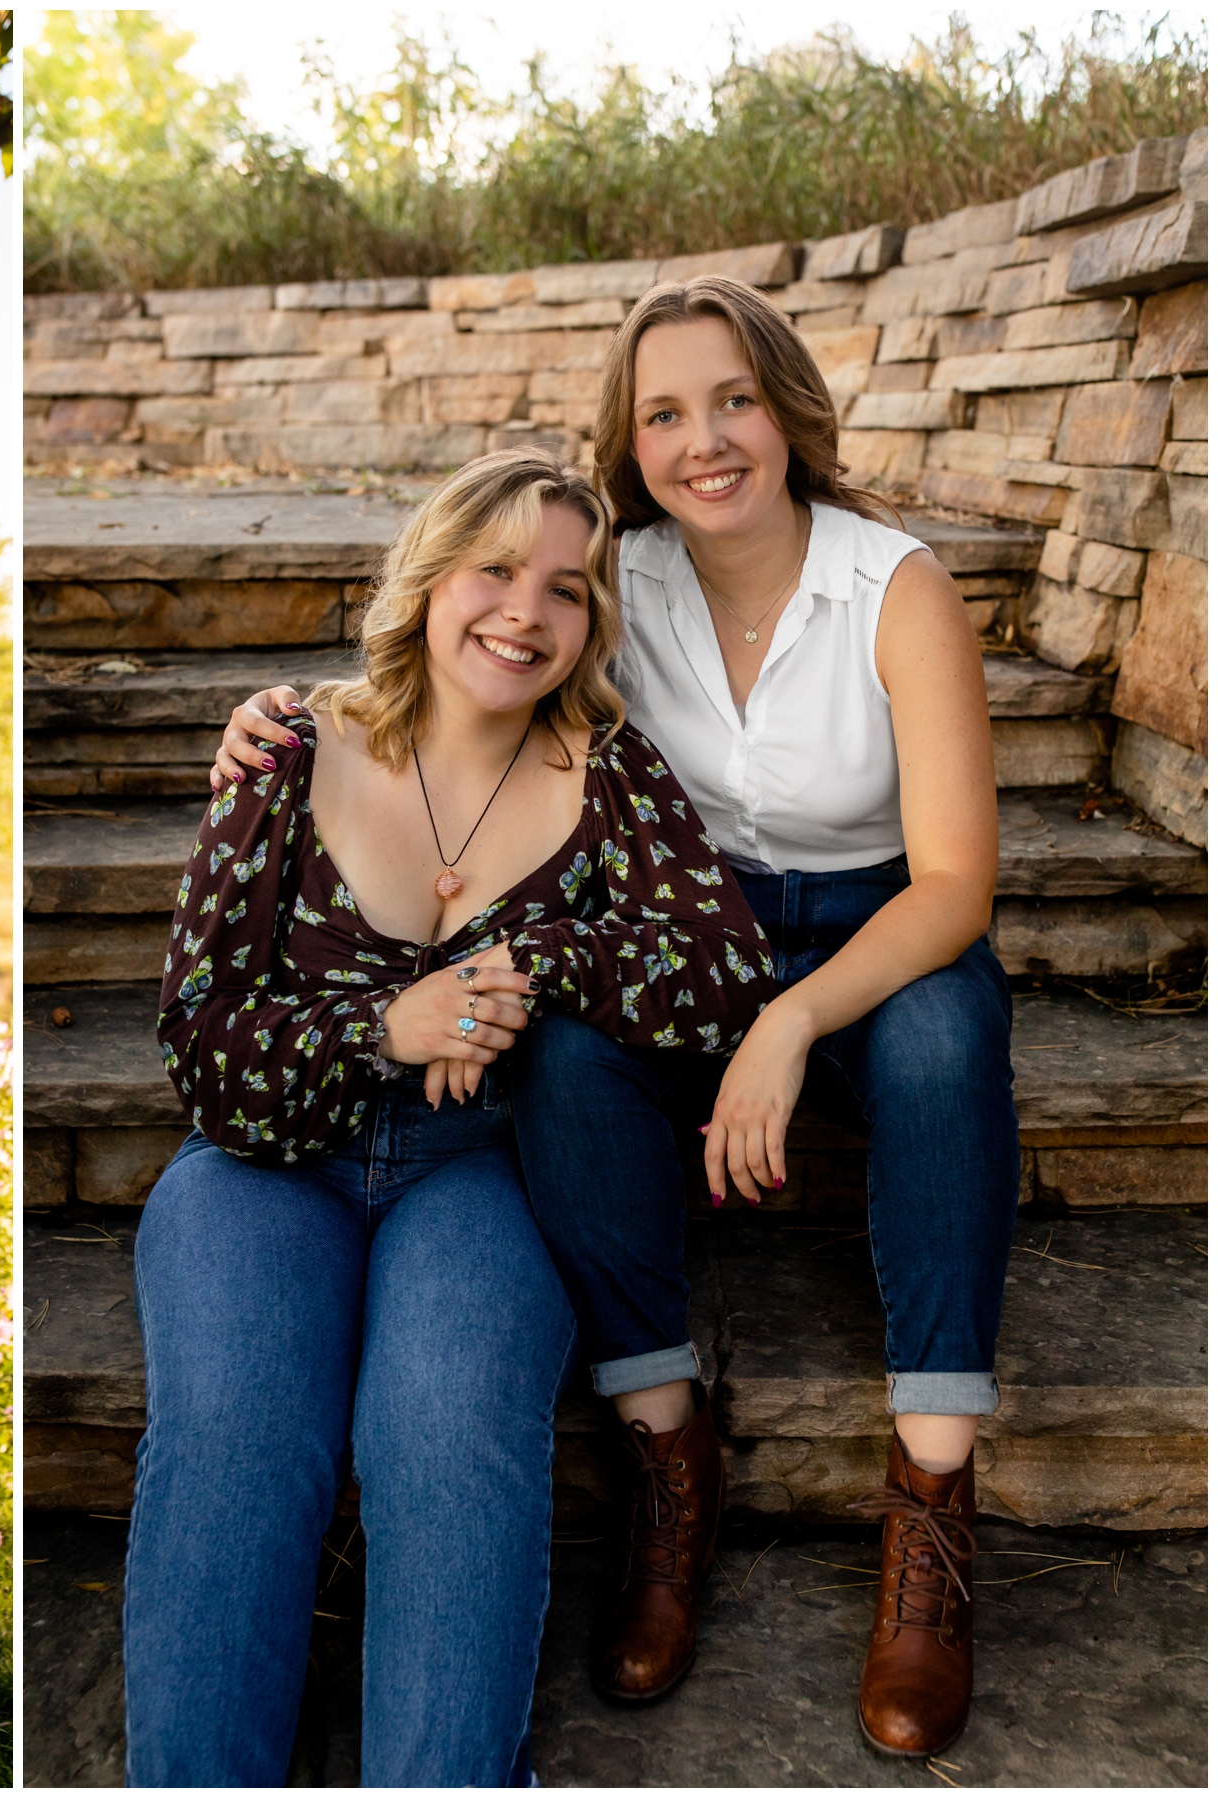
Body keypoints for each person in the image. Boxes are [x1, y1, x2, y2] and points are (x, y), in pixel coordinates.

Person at [215, 276, 1012, 1758]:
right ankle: (665, 1455)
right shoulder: (609, 587)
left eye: (731, 401)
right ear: (628, 442)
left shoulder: (892, 586)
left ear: (786, 412)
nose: (702, 439)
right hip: (683, 937)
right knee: (571, 1050)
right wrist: (285, 722)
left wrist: (788, 1024)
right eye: (662, 413)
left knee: (948, 1040)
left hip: (883, 930)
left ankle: (931, 1508)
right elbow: (459, 677)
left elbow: (960, 883)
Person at [142, 448, 776, 1785]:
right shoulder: (288, 752)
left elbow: (723, 970)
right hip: (262, 1165)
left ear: (595, 622)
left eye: (567, 587)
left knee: (443, 1436)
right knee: (236, 1449)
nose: (524, 610)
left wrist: (534, 965)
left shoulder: (608, 769)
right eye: (494, 568)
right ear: (430, 577)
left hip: (480, 1170)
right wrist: (383, 1024)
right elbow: (201, 1042)